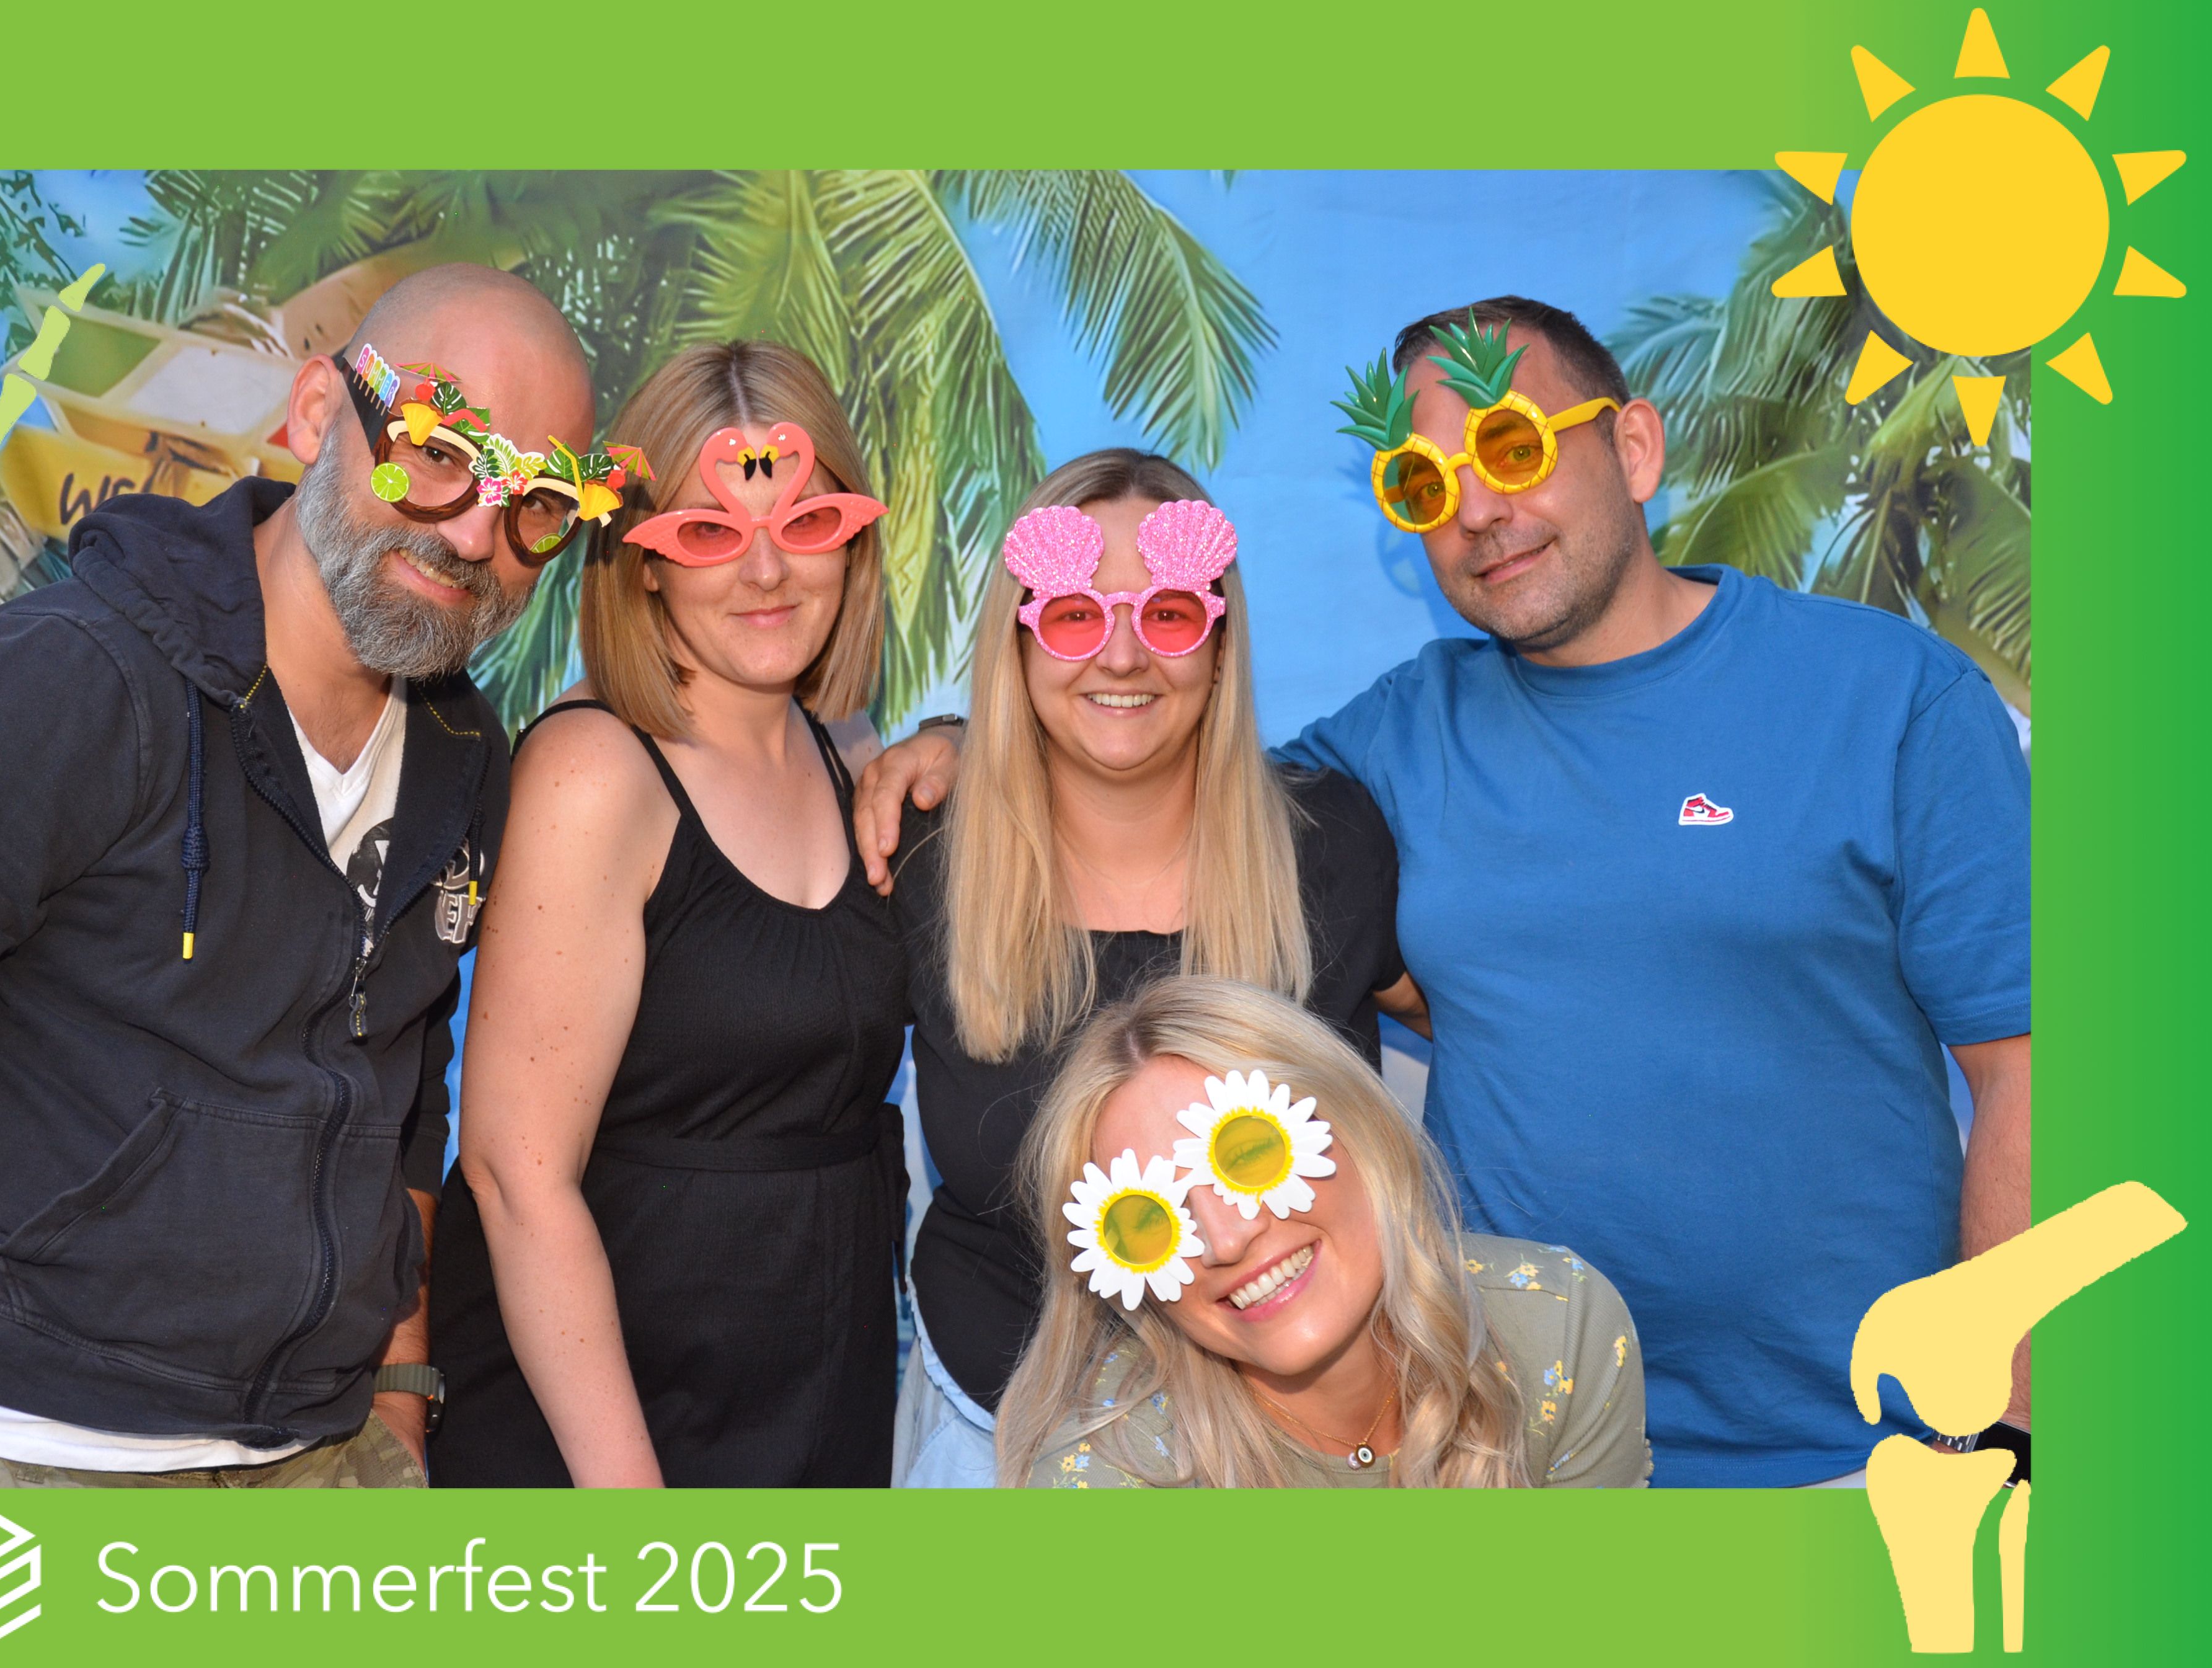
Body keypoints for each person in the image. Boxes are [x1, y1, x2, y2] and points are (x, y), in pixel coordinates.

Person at [857, 296, 2032, 1488]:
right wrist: (960, 742)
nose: (1475, 509)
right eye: (1424, 484)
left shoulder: (1888, 697)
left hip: (1858, 1448)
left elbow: (2030, 1075)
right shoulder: (1394, 749)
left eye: (1512, 448)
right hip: (1499, 1435)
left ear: (1634, 448)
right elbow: (1148, 754)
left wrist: (2004, 1423)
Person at [0, 263, 601, 1488]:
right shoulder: (71, 684)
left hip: (320, 1451)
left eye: (536, 500)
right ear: (318, 414)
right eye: (436, 452)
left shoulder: (462, 750)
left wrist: (399, 1387)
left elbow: (401, 1083)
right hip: (10, 1453)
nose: (473, 534)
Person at [887, 450, 1422, 1488]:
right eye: (1075, 617)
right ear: (1016, 643)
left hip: (1283, 1457)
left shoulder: (1332, 849)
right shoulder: (923, 858)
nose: (1124, 656)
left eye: (1168, 615)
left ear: (1218, 646)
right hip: (990, 1436)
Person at [428, 340, 908, 1487]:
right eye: (708, 534)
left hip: (817, 1399)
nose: (766, 573)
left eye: (805, 524)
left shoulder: (850, 751)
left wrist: (951, 746)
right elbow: (514, 1173)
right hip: (611, 1433)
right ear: (640, 564)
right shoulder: (595, 773)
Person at [995, 975, 1648, 1488]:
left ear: (1363, 1129)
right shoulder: (1102, 1477)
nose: (1225, 1239)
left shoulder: (1558, 1326)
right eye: (1150, 1221)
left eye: (1249, 1155)